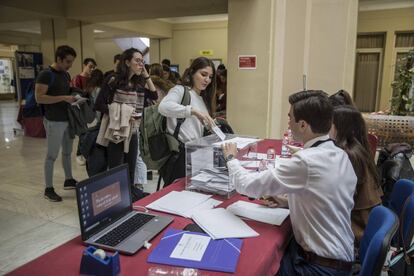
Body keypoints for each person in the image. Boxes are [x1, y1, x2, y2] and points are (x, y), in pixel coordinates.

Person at [222, 90, 357, 275]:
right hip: (340, 257)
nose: (288, 123)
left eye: (289, 118)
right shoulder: (339, 154)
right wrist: (287, 201)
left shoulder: (307, 161)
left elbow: (247, 185)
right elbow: (326, 199)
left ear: (302, 125)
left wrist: (230, 158)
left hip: (320, 267)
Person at [95, 48, 157, 201]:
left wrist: (146, 75)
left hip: (133, 131)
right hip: (117, 130)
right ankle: (117, 198)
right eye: (137, 60)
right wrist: (121, 113)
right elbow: (99, 104)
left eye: (142, 61)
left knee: (130, 167)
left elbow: (154, 95)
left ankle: (127, 197)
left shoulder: (139, 83)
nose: (140, 64)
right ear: (127, 62)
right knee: (116, 168)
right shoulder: (113, 80)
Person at [158, 57, 217, 186]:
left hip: (197, 153)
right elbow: (163, 107)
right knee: (175, 193)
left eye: (210, 77)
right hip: (179, 154)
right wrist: (193, 111)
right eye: (203, 74)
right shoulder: (180, 90)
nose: (207, 80)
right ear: (192, 73)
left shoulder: (203, 99)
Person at [330, 105, 383, 246]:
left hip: (355, 230)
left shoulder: (347, 155)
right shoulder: (358, 149)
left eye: (329, 124)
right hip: (362, 223)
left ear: (340, 128)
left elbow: (334, 200)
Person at [35, 45, 78, 202]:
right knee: (52, 155)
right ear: (58, 59)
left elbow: (66, 92)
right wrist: (63, 97)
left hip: (67, 118)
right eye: (67, 61)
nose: (70, 65)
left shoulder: (65, 74)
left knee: (67, 153)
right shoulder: (45, 75)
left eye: (72, 62)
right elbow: (39, 98)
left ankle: (68, 179)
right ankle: (49, 189)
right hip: (54, 121)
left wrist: (75, 96)